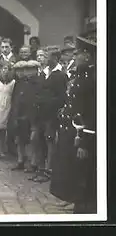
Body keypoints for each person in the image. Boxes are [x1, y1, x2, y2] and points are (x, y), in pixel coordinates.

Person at [50, 33, 96, 213]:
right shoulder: (82, 74)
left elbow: (92, 112)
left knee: (78, 167)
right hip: (69, 127)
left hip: (81, 131)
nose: (74, 57)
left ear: (87, 55)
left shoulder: (92, 78)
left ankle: (78, 199)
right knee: (67, 163)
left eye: (77, 54)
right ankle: (69, 196)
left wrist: (85, 140)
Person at [31, 46, 68, 183]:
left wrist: (47, 102)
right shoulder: (43, 73)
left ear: (56, 58)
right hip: (39, 113)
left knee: (49, 140)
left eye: (48, 56)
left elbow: (61, 97)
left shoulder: (61, 75)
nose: (45, 59)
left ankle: (48, 170)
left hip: (51, 115)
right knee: (38, 140)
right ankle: (40, 169)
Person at [8, 60, 43, 172]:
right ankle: (20, 160)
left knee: (33, 140)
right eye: (26, 69)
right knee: (19, 138)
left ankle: (33, 162)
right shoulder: (21, 82)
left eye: (31, 69)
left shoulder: (39, 82)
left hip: (32, 114)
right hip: (20, 113)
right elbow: (16, 97)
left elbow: (37, 99)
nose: (27, 71)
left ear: (36, 70)